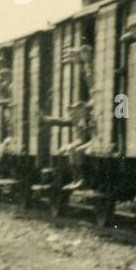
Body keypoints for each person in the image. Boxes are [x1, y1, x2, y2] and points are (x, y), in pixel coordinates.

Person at [39, 45, 97, 190]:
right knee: (69, 148)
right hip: (93, 109)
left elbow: (95, 91)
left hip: (93, 135)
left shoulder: (91, 68)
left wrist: (91, 104)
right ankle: (76, 179)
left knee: (73, 149)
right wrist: (45, 118)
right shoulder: (87, 67)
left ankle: (80, 179)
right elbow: (64, 120)